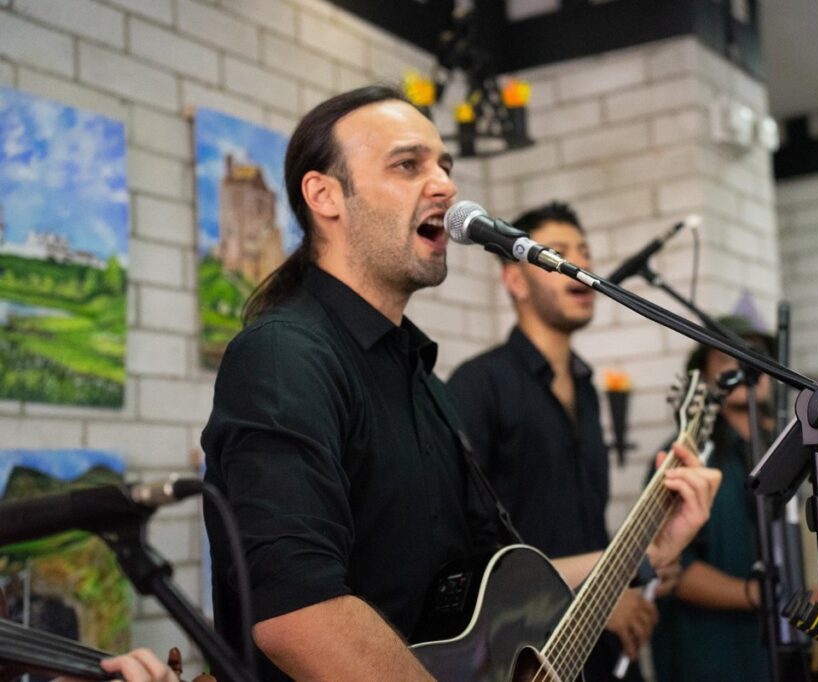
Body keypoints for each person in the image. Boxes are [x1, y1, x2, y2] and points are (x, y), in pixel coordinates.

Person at [201, 85, 720, 681]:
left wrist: (642, 556)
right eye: (408, 165)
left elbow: (498, 578)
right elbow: (298, 615)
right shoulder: (282, 357)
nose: (446, 185)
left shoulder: (421, 379)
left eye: (445, 166)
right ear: (324, 195)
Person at [447, 202, 661, 681]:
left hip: (600, 647)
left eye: (584, 252)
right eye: (557, 253)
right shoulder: (478, 385)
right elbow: (466, 552)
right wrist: (592, 601)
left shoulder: (587, 388)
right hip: (521, 655)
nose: (579, 266)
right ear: (516, 281)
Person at [650, 315, 774, 682]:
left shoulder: (785, 453)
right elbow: (671, 566)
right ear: (703, 379)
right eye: (728, 358)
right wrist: (764, 596)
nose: (745, 365)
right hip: (709, 656)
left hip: (774, 657)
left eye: (756, 355)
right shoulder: (683, 457)